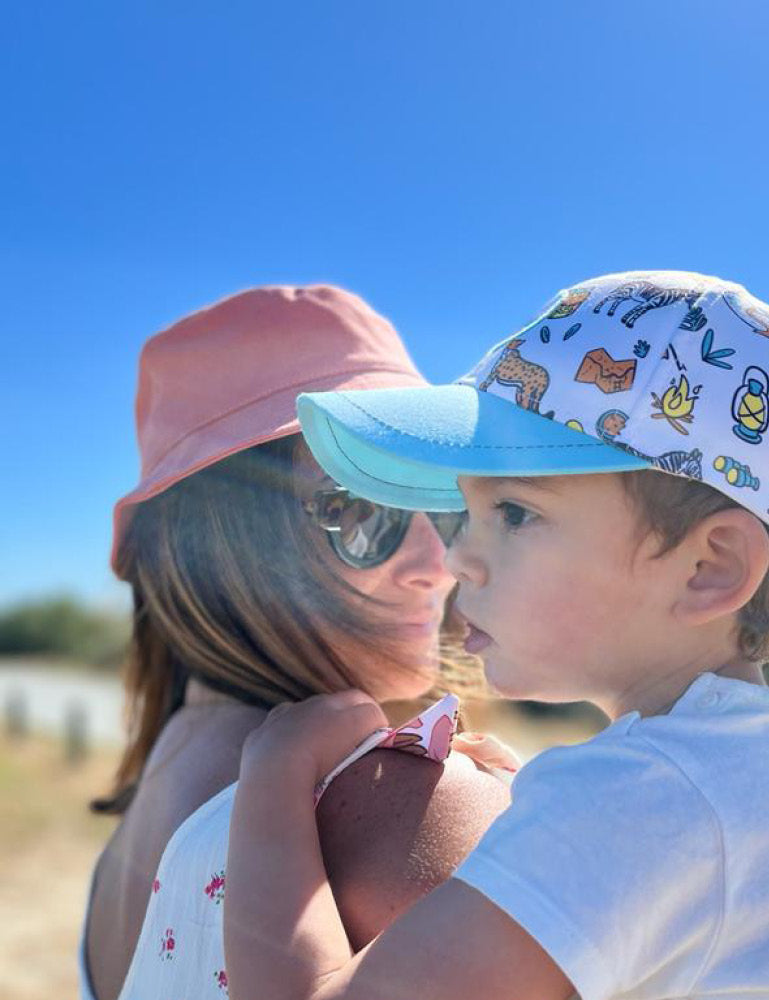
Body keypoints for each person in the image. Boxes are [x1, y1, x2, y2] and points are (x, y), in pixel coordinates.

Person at [225, 270, 769, 1000]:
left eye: (516, 513)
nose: (458, 557)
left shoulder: (636, 800)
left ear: (711, 567)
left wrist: (275, 775)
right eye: (468, 512)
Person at [81, 285, 512, 1000]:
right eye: (365, 511)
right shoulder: (407, 815)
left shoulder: (150, 795)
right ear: (221, 546)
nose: (442, 563)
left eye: (442, 506)